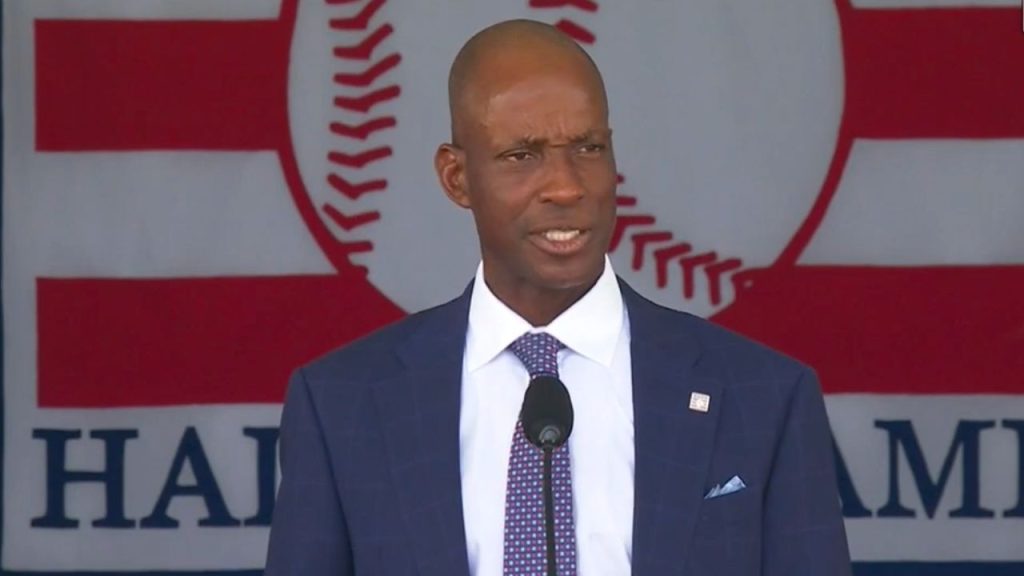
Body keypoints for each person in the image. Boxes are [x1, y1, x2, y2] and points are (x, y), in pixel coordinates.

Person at [265, 19, 851, 576]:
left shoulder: (765, 397)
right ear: (456, 178)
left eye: (588, 148)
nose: (567, 185)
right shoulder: (342, 406)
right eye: (523, 155)